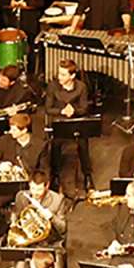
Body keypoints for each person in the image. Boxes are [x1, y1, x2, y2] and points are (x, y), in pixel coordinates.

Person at [41, 59, 93, 194]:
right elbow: (48, 108)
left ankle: (87, 175)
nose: (59, 77)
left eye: (63, 74)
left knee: (83, 144)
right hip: (59, 121)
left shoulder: (81, 87)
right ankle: (55, 175)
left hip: (75, 120)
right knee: (56, 145)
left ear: (72, 76)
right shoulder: (53, 86)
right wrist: (62, 111)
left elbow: (84, 108)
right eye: (59, 73)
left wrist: (74, 110)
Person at [0, 112, 50, 183]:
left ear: (24, 130)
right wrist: (0, 165)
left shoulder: (40, 145)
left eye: (14, 130)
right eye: (10, 129)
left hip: (30, 183)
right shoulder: (5, 140)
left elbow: (44, 171)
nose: (10, 132)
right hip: (8, 182)